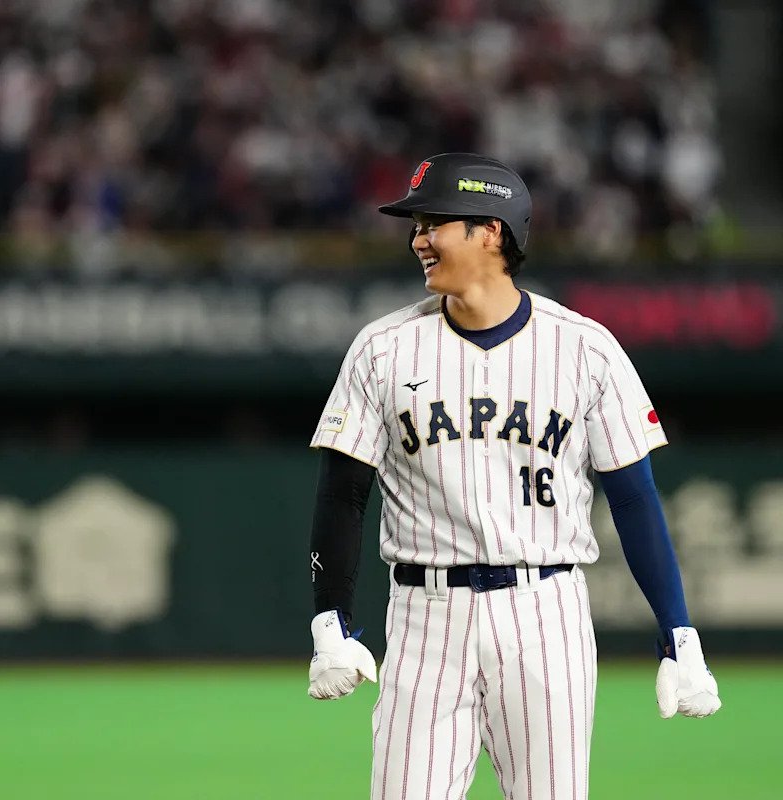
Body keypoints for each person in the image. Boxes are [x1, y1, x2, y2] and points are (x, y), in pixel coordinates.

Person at [305, 153, 720, 800]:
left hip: (544, 612)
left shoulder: (584, 348)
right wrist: (330, 620)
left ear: (491, 231)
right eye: (416, 226)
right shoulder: (383, 349)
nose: (418, 240)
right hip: (424, 614)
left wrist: (679, 634)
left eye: (434, 223)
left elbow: (634, 499)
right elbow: (342, 494)